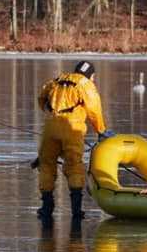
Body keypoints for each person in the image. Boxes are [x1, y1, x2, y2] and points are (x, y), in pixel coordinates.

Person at [35, 61, 115, 221]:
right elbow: (94, 109)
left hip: (50, 127)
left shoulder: (59, 79)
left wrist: (48, 111)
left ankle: (46, 207)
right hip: (72, 128)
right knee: (74, 166)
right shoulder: (85, 84)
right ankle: (76, 211)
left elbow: (42, 96)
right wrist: (101, 130)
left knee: (46, 164)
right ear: (90, 75)